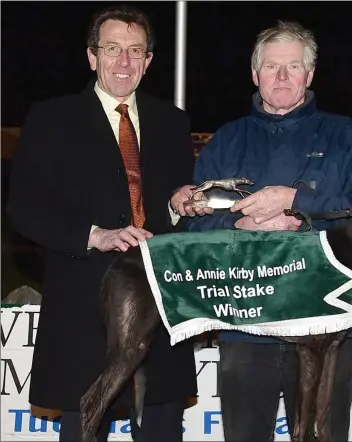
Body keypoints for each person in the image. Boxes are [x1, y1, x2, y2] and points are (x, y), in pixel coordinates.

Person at [186, 20, 352, 442]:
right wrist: (237, 223)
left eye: (293, 67)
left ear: (309, 75)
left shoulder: (347, 137)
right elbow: (195, 220)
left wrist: (296, 201)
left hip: (326, 325)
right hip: (246, 326)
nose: (281, 77)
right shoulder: (225, 141)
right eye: (272, 66)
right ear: (255, 73)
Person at [7, 4, 199, 441]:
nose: (124, 62)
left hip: (158, 307)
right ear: (92, 56)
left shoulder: (172, 122)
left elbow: (170, 206)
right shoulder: (51, 119)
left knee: (162, 428)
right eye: (113, 49)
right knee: (83, 427)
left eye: (135, 50)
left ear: (149, 61)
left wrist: (179, 207)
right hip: (84, 310)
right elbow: (25, 210)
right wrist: (95, 235)